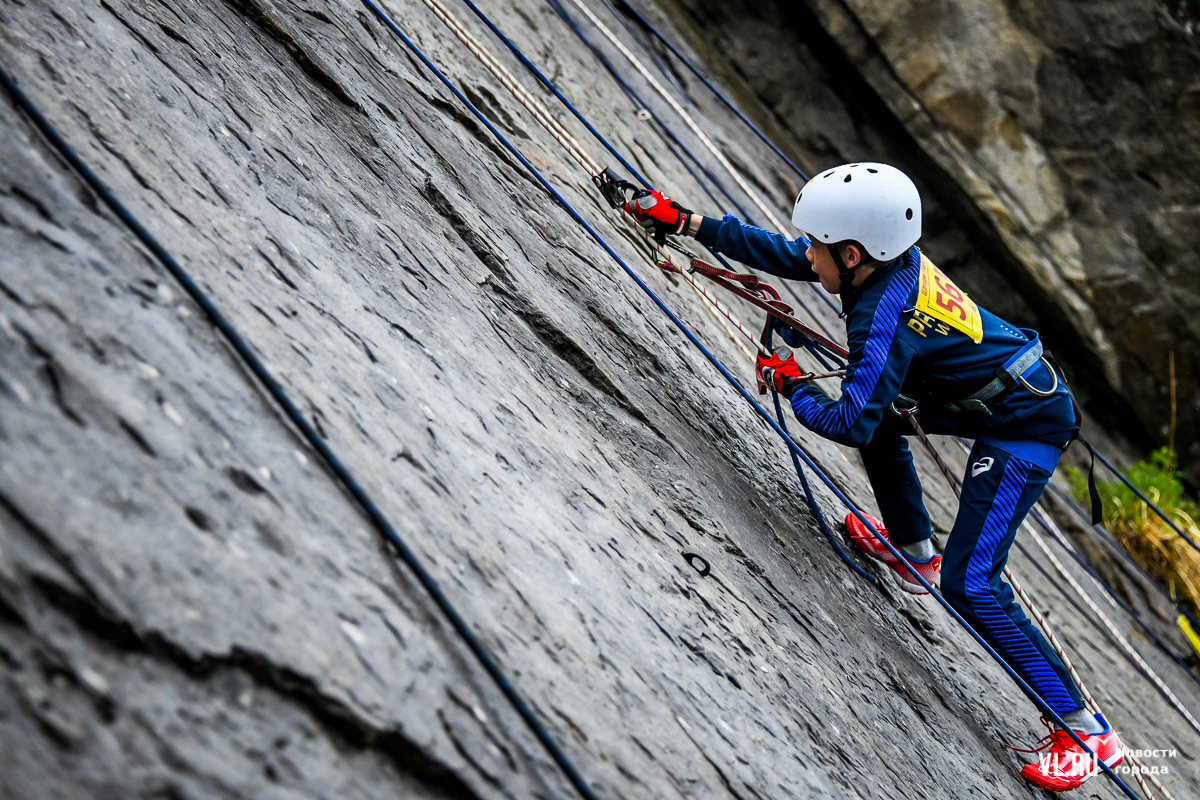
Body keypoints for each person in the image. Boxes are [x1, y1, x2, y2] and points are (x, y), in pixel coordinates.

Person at [624, 163, 1122, 791]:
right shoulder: (879, 264)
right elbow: (786, 254)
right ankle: (914, 550)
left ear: (853, 254)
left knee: (971, 584)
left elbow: (852, 422)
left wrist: (794, 386)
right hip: (975, 395)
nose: (808, 251)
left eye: (819, 245)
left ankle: (1085, 729)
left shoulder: (882, 312)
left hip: (1024, 424)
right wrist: (690, 223)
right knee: (888, 415)